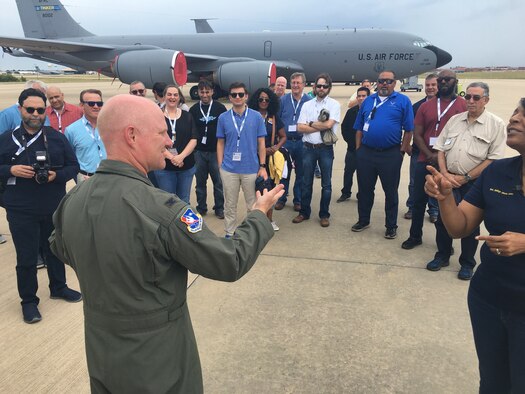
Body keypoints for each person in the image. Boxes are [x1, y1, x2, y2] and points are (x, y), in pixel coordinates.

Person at [49, 94, 284, 393]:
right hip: (159, 360)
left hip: (101, 355)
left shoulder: (72, 201)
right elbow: (229, 261)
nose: (170, 141)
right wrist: (258, 216)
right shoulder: (162, 210)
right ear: (132, 135)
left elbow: (59, 245)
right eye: (161, 132)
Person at [424, 98, 525, 393]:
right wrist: (444, 198)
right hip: (488, 300)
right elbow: (460, 227)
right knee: (493, 383)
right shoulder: (498, 172)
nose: (515, 118)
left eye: (524, 113)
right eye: (516, 110)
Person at [0, 88, 81, 324]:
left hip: (51, 205)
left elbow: (73, 166)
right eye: (30, 109)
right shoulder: (6, 139)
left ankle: (59, 287)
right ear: (20, 110)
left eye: (40, 109)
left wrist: (58, 175)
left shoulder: (56, 138)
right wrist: (10, 170)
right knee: (26, 257)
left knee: (54, 250)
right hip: (20, 208)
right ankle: (28, 301)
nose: (36, 114)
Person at [430, 81, 506, 280]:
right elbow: (440, 149)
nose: (470, 101)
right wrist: (445, 174)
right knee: (442, 221)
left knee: (469, 225)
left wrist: (465, 178)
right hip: (448, 179)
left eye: (476, 97)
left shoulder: (496, 125)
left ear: (486, 100)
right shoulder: (455, 120)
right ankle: (443, 255)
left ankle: (467, 263)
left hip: (474, 183)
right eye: (467, 96)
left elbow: (492, 159)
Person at [401, 70, 467, 251]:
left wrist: (442, 158)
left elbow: (465, 136)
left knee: (445, 204)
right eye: (441, 80)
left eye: (448, 79)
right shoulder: (426, 106)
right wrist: (430, 155)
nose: (444, 82)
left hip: (450, 165)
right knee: (418, 201)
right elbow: (418, 133)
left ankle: (444, 245)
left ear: (455, 82)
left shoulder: (463, 105)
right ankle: (415, 236)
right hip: (425, 159)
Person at [352, 70, 414, 239]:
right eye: (381, 81)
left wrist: (401, 151)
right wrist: (359, 150)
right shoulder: (368, 101)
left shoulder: (403, 101)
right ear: (376, 83)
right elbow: (359, 127)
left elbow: (409, 130)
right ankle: (363, 220)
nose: (384, 84)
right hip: (366, 153)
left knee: (390, 192)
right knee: (365, 190)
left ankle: (391, 225)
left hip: (390, 154)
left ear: (395, 83)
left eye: (388, 81)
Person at [217, 82, 267, 238]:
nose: (237, 97)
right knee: (229, 205)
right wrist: (220, 166)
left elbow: (261, 143)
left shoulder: (256, 116)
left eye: (240, 94)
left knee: (252, 205)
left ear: (246, 96)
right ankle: (229, 232)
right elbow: (220, 143)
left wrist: (262, 166)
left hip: (251, 169)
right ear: (230, 98)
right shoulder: (223, 118)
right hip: (229, 169)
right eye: (233, 95)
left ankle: (249, 234)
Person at [292, 72, 341, 228]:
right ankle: (304, 212)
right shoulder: (307, 105)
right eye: (318, 85)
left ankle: (324, 214)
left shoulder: (334, 105)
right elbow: (300, 128)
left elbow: (328, 125)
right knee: (306, 183)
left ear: (329, 88)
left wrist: (310, 124)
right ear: (314, 87)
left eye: (324, 86)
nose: (321, 88)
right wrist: (317, 125)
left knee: (326, 185)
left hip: (325, 149)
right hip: (308, 149)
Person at [248, 87, 287, 231]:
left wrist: (276, 147)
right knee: (253, 190)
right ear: (256, 101)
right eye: (260, 99)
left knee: (269, 189)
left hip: (269, 160)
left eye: (266, 99)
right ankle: (255, 220)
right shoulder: (250, 116)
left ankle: (269, 220)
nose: (263, 102)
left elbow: (283, 136)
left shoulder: (274, 117)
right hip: (253, 158)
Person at [404, 74, 439, 222]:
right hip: (418, 152)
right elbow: (410, 128)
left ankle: (434, 210)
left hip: (438, 154)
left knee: (435, 182)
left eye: (433, 85)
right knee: (414, 182)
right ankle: (412, 207)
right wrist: (406, 145)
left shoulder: (444, 105)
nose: (430, 88)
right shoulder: (417, 106)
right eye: (428, 85)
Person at [189, 81, 227, 218]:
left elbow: (225, 130)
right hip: (199, 152)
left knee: (218, 182)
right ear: (198, 92)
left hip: (215, 151)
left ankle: (219, 208)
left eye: (207, 92)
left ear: (212, 92)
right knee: (200, 182)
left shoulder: (220, 108)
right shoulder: (193, 110)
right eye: (202, 92)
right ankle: (201, 207)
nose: (204, 95)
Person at [154, 85, 198, 204]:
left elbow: (194, 139)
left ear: (179, 98)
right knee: (169, 202)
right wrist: (173, 157)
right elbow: (156, 140)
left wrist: (181, 157)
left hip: (186, 166)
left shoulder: (187, 116)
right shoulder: (157, 116)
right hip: (165, 168)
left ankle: (183, 223)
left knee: (184, 201)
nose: (172, 97)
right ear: (164, 97)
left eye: (175, 95)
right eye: (169, 94)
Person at [275, 72, 311, 212]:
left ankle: (298, 200)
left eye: (298, 83)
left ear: (303, 84)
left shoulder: (308, 101)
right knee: (284, 172)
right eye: (293, 83)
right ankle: (281, 199)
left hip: (303, 142)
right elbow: (277, 120)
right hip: (286, 142)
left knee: (301, 173)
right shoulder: (283, 100)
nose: (295, 85)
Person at [64, 89, 107, 183]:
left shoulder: (110, 127)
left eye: (99, 103)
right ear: (82, 105)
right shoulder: (71, 130)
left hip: (109, 178)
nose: (96, 107)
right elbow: (69, 159)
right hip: (86, 180)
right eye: (91, 103)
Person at [337, 86, 370, 202]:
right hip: (351, 149)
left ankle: (362, 194)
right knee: (348, 172)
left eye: (364, 96)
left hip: (366, 151)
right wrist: (351, 142)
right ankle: (345, 193)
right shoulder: (351, 112)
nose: (361, 98)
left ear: (368, 97)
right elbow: (344, 127)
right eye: (359, 96)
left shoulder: (373, 112)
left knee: (364, 175)